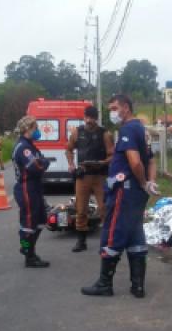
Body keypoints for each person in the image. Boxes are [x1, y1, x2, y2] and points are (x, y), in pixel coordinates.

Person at [81, 94, 159, 298]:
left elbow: (135, 162)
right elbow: (151, 160)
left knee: (113, 233)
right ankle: (138, 286)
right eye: (110, 109)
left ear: (126, 107)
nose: (112, 113)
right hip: (135, 193)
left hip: (125, 191)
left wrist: (143, 182)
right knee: (134, 234)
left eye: (114, 108)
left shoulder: (128, 129)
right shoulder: (142, 130)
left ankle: (104, 284)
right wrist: (150, 183)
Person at [65, 106, 114, 252]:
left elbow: (112, 155)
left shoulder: (105, 134)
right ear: (84, 117)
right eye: (87, 117)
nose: (89, 120)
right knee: (81, 209)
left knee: (104, 208)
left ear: (96, 118)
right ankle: (81, 241)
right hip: (83, 175)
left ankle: (107, 242)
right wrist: (71, 164)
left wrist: (102, 163)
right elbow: (68, 149)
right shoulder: (77, 132)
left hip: (100, 176)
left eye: (92, 118)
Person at [12, 116, 51, 268]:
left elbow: (40, 161)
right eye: (36, 128)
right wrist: (44, 162)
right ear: (28, 129)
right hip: (26, 188)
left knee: (41, 220)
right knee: (28, 223)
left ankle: (29, 250)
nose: (38, 131)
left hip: (35, 187)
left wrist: (42, 161)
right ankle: (27, 251)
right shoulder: (23, 148)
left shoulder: (30, 145)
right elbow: (38, 166)